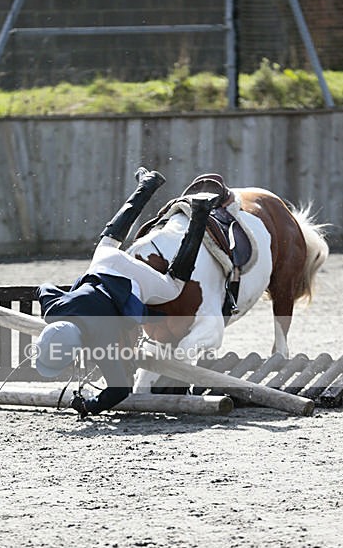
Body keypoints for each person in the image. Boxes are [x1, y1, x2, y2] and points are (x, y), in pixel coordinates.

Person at [34, 168, 214, 418]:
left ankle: (200, 214)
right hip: (107, 263)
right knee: (108, 239)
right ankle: (148, 185)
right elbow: (43, 287)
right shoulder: (53, 310)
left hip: (134, 282)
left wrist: (90, 406)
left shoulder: (102, 341)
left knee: (174, 286)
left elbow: (120, 391)